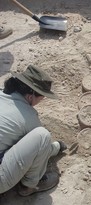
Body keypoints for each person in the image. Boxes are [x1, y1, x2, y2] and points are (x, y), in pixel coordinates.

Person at [0, 65, 67, 196]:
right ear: (30, 96)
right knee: (42, 135)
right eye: (40, 99)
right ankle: (28, 187)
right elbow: (42, 148)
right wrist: (57, 147)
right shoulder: (29, 118)